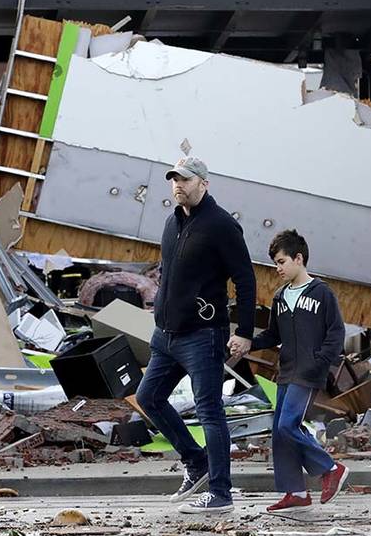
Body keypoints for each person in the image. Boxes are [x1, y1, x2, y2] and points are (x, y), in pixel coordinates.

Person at [135, 156, 257, 515]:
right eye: (174, 180)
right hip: (167, 335)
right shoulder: (171, 224)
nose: (178, 185)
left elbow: (246, 280)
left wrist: (245, 332)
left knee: (210, 411)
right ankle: (196, 462)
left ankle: (220, 493)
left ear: (204, 183)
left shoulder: (221, 226)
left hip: (204, 335)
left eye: (185, 180)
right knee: (149, 397)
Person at [245, 229, 349, 512]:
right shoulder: (280, 297)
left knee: (287, 425)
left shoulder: (322, 293)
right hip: (287, 372)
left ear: (298, 258)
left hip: (308, 372)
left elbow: (336, 333)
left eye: (281, 262)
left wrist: (320, 361)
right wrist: (247, 343)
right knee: (281, 432)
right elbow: (271, 335)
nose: (277, 268)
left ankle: (331, 469)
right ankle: (297, 493)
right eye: (276, 263)